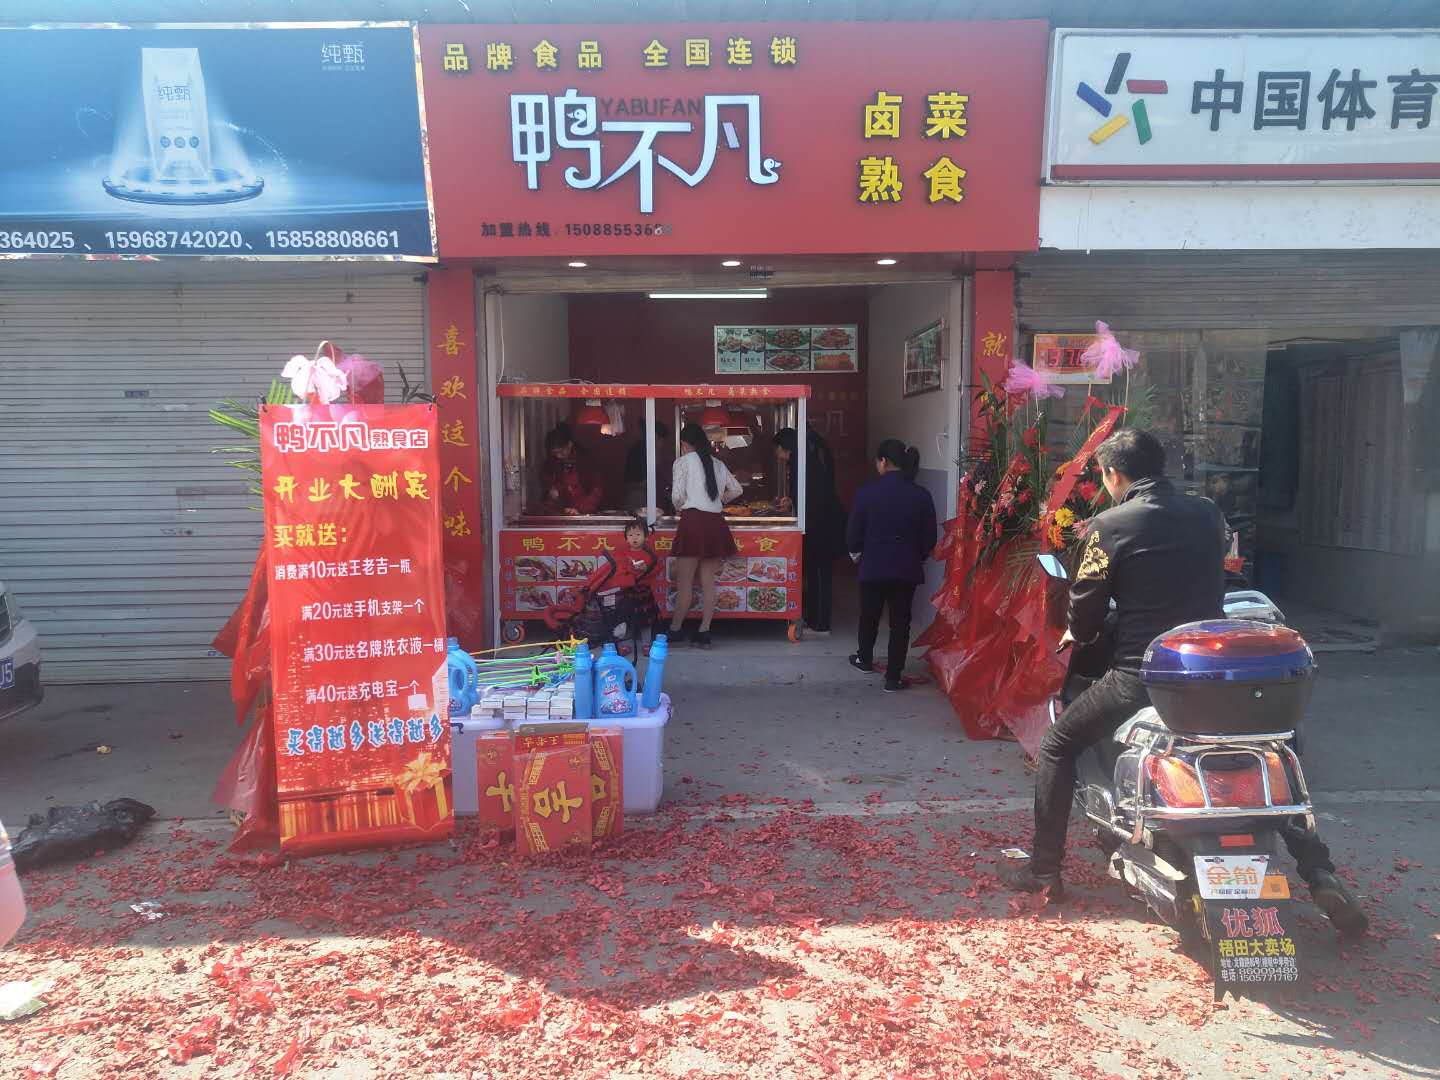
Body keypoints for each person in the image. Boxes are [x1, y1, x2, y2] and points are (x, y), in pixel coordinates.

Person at [1013, 430, 1369, 935]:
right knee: (1269, 751)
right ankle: (1318, 872)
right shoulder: (1208, 514)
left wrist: (1081, 627)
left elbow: (1086, 616)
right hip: (1211, 677)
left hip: (1141, 677)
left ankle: (1044, 870)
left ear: (1113, 475)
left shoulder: (1109, 526)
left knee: (1056, 744)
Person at [846, 439, 938, 692]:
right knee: (900, 622)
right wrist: (917, 556)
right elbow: (929, 537)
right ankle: (893, 677)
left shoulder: (867, 493)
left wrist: (856, 554)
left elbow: (853, 531)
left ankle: (864, 659)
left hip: (873, 565)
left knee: (869, 615)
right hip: (906, 567)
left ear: (883, 461)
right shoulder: (921, 495)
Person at [668, 423, 743, 648]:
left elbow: (677, 496)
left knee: (684, 584)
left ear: (684, 444)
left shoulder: (682, 462)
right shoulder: (718, 463)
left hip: (692, 523)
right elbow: (737, 489)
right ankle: (704, 632)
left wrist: (679, 508)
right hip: (715, 524)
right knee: (708, 582)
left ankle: (675, 630)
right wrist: (718, 501)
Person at [774, 426, 844, 634]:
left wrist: (795, 506)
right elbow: (806, 494)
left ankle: (820, 623)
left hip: (821, 526)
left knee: (819, 574)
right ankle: (814, 618)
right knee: (815, 573)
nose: (776, 454)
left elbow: (814, 498)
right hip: (816, 524)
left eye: (777, 449)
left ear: (785, 447)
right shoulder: (805, 461)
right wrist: (792, 501)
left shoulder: (804, 464)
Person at [539, 423, 603, 516]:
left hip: (586, 511)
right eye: (555, 453)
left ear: (570, 444)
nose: (558, 456)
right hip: (562, 512)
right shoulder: (551, 463)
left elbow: (597, 490)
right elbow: (548, 482)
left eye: (561, 451)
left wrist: (581, 509)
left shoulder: (586, 461)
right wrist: (551, 488)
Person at [623, 420, 671, 514]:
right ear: (655, 436)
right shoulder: (644, 451)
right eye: (662, 440)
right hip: (638, 496)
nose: (662, 444)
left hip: (640, 495)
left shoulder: (640, 448)